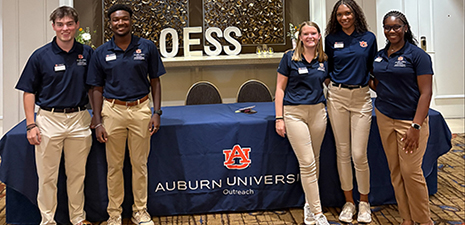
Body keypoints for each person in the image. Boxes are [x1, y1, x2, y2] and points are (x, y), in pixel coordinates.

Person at [86, 4, 165, 225]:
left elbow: (155, 81)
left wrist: (156, 112)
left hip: (141, 109)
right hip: (112, 111)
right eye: (115, 20)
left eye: (124, 19)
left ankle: (140, 211)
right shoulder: (101, 52)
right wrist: (98, 119)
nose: (120, 23)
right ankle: (114, 215)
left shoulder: (147, 47)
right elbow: (96, 88)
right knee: (114, 166)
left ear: (131, 20)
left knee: (140, 164)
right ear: (110, 23)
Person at [15, 6, 93, 225]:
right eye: (60, 24)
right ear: (53, 27)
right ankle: (48, 221)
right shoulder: (40, 56)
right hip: (49, 120)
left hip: (79, 119)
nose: (65, 28)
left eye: (69, 24)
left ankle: (78, 219)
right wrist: (31, 125)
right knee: (48, 178)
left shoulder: (87, 54)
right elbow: (28, 92)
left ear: (77, 26)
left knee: (77, 176)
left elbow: (96, 87)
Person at [370, 11, 434, 225]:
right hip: (385, 117)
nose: (391, 31)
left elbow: (426, 93)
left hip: (410, 120)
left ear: (405, 28)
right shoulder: (380, 55)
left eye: (396, 27)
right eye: (387, 27)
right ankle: (406, 218)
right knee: (396, 171)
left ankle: (424, 221)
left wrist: (416, 125)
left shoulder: (417, 55)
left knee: (411, 172)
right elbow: (379, 83)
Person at [324, 0, 377, 223]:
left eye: (347, 13)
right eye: (339, 15)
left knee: (359, 154)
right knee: (342, 152)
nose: (344, 18)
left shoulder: (369, 38)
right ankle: (349, 202)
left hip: (361, 98)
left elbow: (374, 69)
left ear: (355, 14)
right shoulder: (330, 39)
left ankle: (364, 202)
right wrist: (334, 86)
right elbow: (326, 69)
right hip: (337, 97)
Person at [275, 21, 330, 225]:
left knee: (314, 161)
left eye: (313, 33)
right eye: (305, 34)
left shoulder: (323, 59)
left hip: (317, 112)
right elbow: (279, 89)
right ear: (300, 37)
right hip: (294, 113)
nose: (310, 37)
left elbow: (328, 83)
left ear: (318, 36)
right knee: (307, 163)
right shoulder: (290, 57)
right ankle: (318, 213)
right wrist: (279, 117)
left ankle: (309, 204)